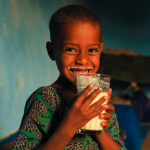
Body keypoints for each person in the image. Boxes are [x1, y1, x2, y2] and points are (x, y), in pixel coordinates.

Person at [12, 4, 125, 150]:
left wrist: (97, 127)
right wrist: (69, 126)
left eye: (92, 50)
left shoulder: (101, 99)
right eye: (70, 49)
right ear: (52, 52)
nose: (83, 60)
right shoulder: (45, 99)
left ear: (100, 50)